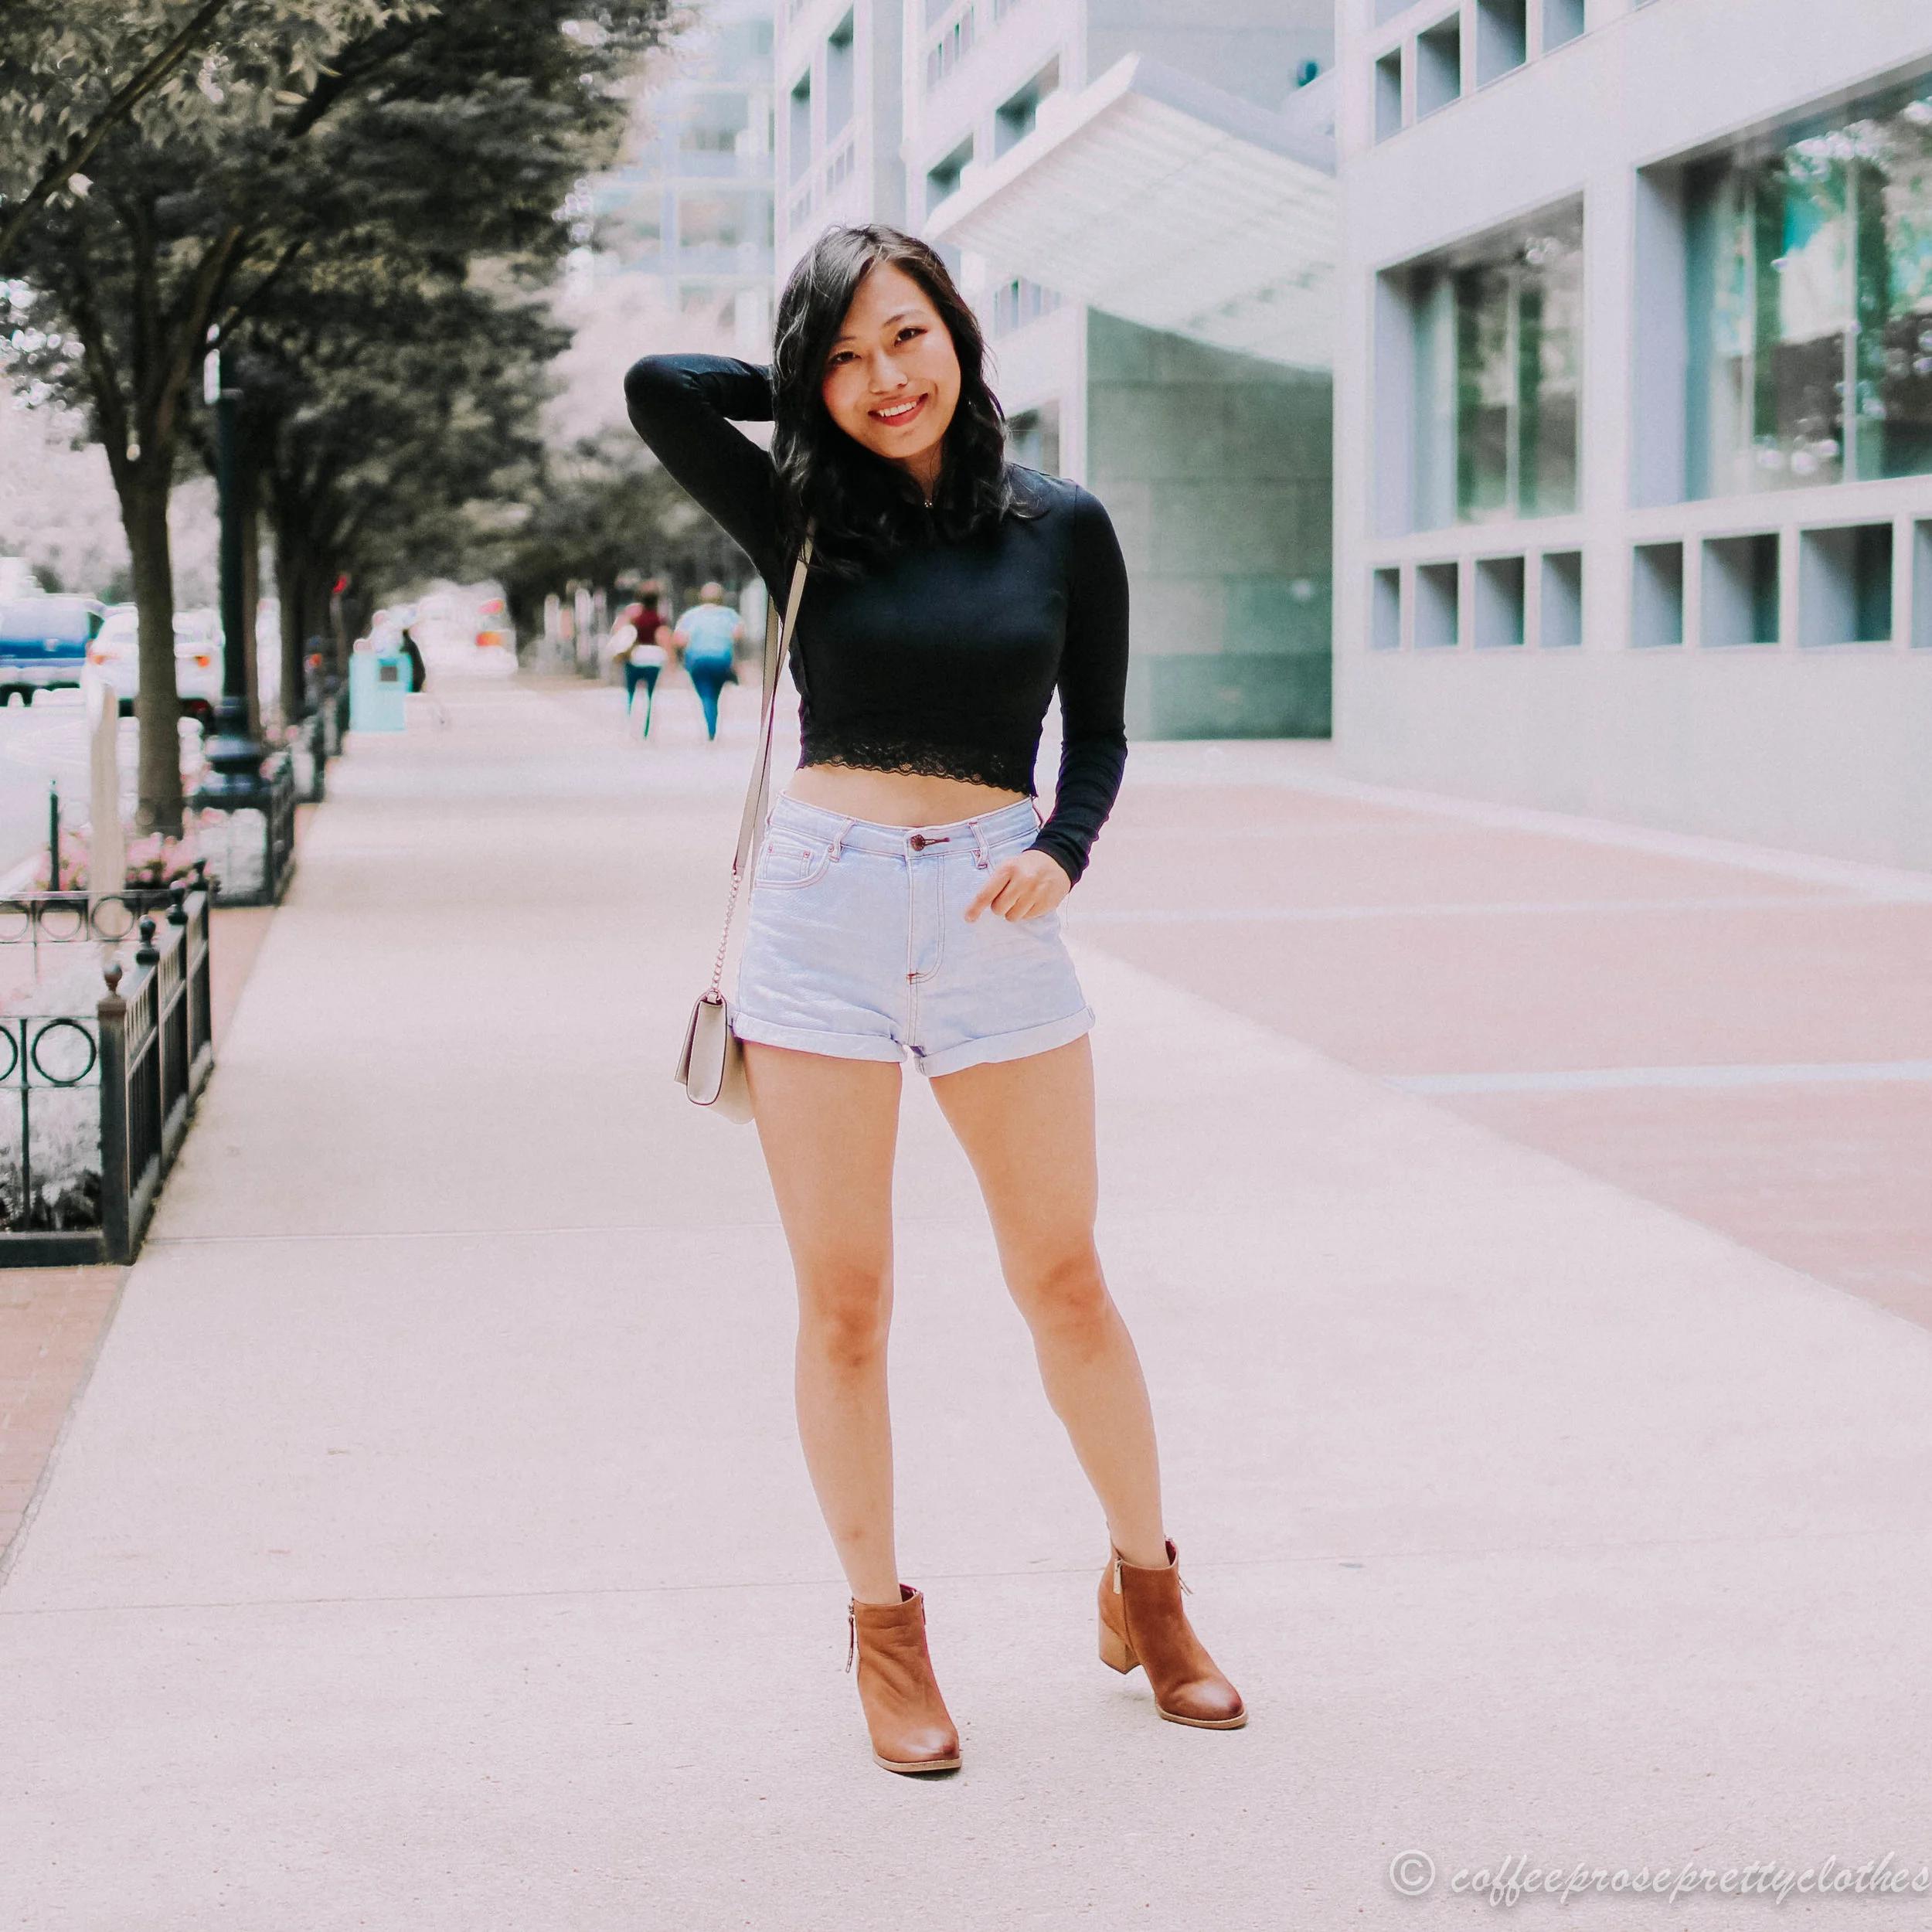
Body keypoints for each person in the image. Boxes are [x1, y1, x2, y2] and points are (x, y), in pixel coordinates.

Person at [625, 225, 1243, 1777]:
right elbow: (655, 388)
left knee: (1065, 1278)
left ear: (960, 336)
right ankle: (882, 1626)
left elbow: (1094, 731)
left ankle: (1149, 1585)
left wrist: (1061, 847)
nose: (879, 378)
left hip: (990, 914)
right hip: (820, 916)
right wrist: (798, 388)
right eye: (839, 356)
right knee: (844, 1301)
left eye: (903, 337)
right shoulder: (799, 517)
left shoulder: (1061, 524)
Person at [672, 582, 743, 741]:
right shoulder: (729, 614)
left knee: (705, 693)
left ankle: (710, 726)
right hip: (722, 659)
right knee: (715, 693)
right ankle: (713, 723)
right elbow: (738, 633)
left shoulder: (690, 615)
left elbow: (679, 638)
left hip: (697, 660)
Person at [618, 584, 671, 733]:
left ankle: (630, 721)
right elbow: (663, 638)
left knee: (631, 692)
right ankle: (646, 727)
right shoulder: (659, 619)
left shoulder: (635, 618)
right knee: (650, 695)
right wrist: (671, 660)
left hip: (635, 657)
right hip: (654, 658)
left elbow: (622, 632)